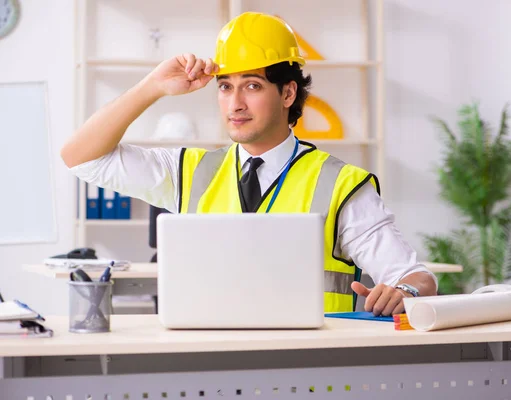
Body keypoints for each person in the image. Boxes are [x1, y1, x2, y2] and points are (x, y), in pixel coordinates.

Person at [61, 12, 437, 316]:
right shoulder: (188, 171)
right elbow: (79, 156)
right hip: (207, 369)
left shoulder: (341, 184)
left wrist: (402, 291)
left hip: (312, 375)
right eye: (225, 86)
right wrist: (152, 86)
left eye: (252, 85)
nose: (234, 104)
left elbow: (416, 277)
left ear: (288, 92)